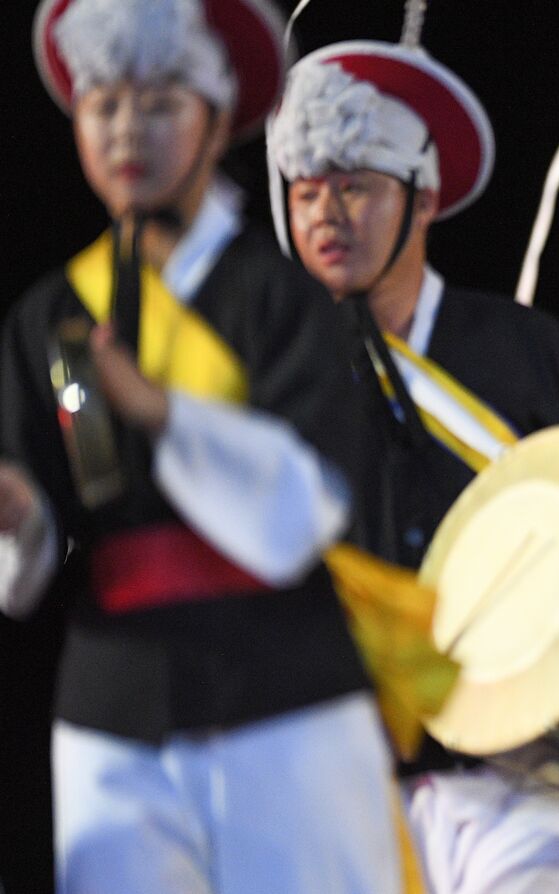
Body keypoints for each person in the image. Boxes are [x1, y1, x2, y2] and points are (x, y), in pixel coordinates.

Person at [0, 0, 402, 890]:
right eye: (102, 106)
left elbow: (312, 509)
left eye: (157, 104)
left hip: (286, 694)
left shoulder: (279, 298)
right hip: (111, 705)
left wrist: (162, 412)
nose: (124, 131)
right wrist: (18, 513)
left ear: (217, 120)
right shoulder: (48, 316)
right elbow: (25, 549)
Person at [267, 31, 559, 894]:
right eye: (305, 192)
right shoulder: (276, 387)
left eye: (356, 187)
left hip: (520, 780)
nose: (327, 214)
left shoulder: (520, 350)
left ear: (424, 196)